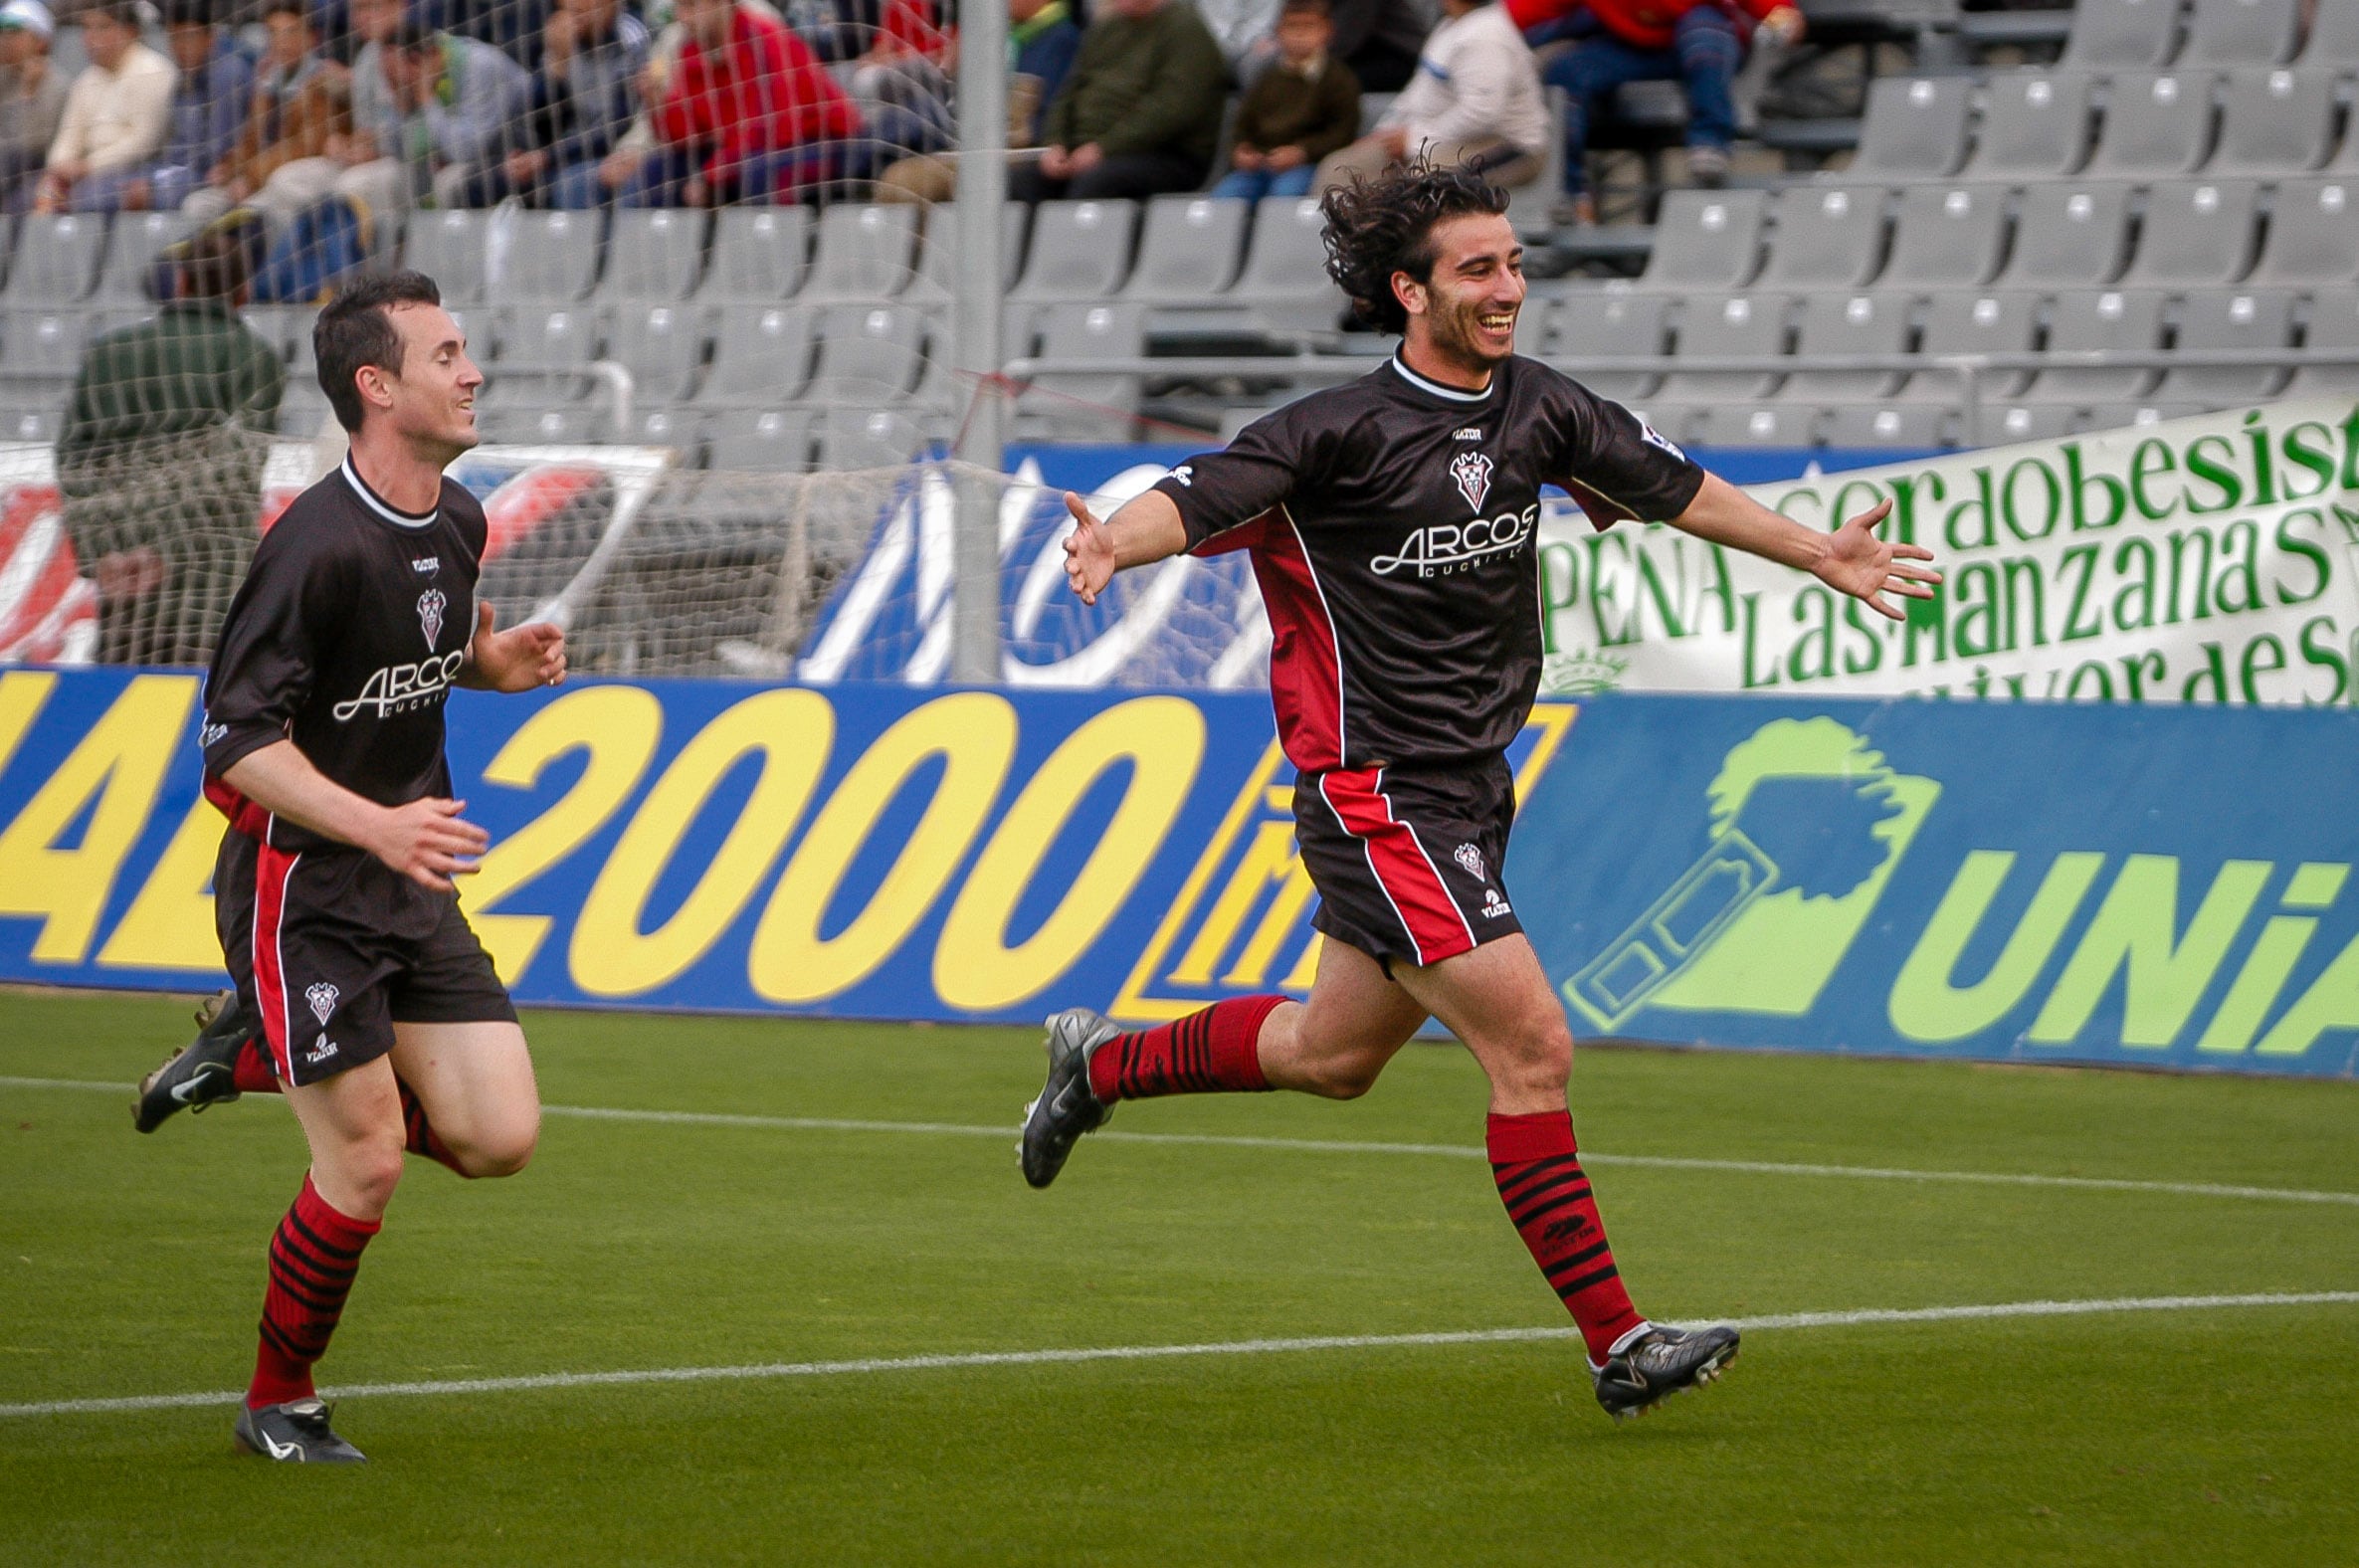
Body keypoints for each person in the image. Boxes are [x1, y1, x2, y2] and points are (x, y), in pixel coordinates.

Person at [1021, 159, 1941, 1422]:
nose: (1507, 287)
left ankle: (1099, 1066)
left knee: (1330, 1054)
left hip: (1471, 789)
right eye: (1478, 269)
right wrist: (1109, 540)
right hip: (1375, 792)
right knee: (1532, 1045)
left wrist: (1818, 549)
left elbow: (1677, 490)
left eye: (1513, 264)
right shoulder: (1330, 432)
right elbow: (1199, 495)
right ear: (1409, 290)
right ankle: (1617, 1344)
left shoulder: (1541, 411)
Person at [132, 269, 567, 1465]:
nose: (471, 370)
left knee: (499, 1136)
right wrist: (373, 824)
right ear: (377, 387)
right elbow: (235, 741)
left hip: (406, 883)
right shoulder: (313, 546)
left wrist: (498, 663)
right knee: (368, 1155)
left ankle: (255, 1048)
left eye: (466, 349)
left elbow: (435, 648)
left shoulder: (461, 518)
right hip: (303, 889)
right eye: (445, 354)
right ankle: (281, 1399)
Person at [55, 226, 284, 667]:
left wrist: (103, 554)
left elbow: (72, 460)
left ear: (180, 282)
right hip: (212, 589)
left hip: (125, 579)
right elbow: (238, 466)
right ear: (244, 291)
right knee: (204, 721)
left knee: (124, 718)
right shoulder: (255, 357)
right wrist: (165, 549)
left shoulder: (108, 353)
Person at [1527, 0, 1804, 224]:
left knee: (1705, 30)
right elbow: (1525, 14)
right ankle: (1571, 192)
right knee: (1565, 75)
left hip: (1701, 39)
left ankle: (1710, 143)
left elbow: (1779, 12)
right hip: (1626, 44)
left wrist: (1783, 25)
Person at [617, 0, 861, 207]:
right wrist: (658, 104)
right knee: (656, 172)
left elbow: (773, 132)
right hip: (741, 153)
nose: (683, 18)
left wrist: (710, 177)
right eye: (679, 7)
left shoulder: (767, 40)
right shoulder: (691, 53)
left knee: (758, 175)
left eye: (691, 5)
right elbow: (689, 136)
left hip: (822, 143)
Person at [1009, 0, 1228, 204]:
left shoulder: (1185, 30)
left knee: (1097, 182)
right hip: (1086, 152)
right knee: (1020, 182)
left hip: (1165, 154)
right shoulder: (1106, 28)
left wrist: (1103, 149)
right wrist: (1056, 144)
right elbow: (1068, 93)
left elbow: (1172, 109)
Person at [1317, 0, 1544, 194]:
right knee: (1339, 168)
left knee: (1417, 187)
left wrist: (1414, 141)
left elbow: (1481, 114)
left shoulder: (1486, 35)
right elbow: (1416, 94)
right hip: (1433, 137)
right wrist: (1384, 133)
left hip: (1508, 146)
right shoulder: (1449, 25)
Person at [874, 0, 1079, 206]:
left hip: (1018, 151)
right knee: (895, 172)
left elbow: (1047, 115)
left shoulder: (1061, 40)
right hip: (976, 143)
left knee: (903, 181)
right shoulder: (1003, 37)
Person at [183, 0, 348, 227]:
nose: (282, 42)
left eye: (291, 32)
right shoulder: (267, 83)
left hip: (304, 173)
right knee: (198, 204)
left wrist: (250, 178)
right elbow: (251, 140)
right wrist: (230, 167)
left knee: (261, 204)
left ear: (312, 38)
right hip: (261, 174)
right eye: (274, 33)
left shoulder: (324, 82)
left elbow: (306, 145)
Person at [498, 0, 650, 207]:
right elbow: (537, 122)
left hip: (618, 149)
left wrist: (547, 157)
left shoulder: (631, 37)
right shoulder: (567, 37)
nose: (572, 10)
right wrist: (557, 67)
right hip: (568, 151)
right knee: (494, 181)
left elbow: (618, 124)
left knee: (572, 185)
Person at [33, 0, 174, 214]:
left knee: (90, 198)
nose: (91, 38)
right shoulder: (86, 80)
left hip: (134, 169)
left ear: (130, 31)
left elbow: (144, 142)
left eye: (103, 27)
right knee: (29, 197)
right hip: (83, 173)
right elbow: (69, 136)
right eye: (86, 28)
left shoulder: (152, 70)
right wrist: (57, 170)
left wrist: (87, 167)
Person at [1212, 0, 1360, 203]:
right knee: (1226, 196)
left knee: (1284, 195)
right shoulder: (1266, 78)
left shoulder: (1339, 79)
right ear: (1279, 32)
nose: (1300, 35)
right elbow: (1243, 124)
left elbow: (1342, 133)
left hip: (1308, 165)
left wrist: (1303, 152)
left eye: (1309, 26)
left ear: (1327, 31)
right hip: (1260, 165)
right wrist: (1242, 149)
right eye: (1292, 26)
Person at [127, 0, 256, 215]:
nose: (180, 47)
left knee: (141, 195)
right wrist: (154, 177)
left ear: (210, 37)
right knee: (104, 189)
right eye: (174, 38)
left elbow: (217, 159)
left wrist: (157, 185)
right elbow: (177, 148)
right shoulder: (183, 79)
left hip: (216, 178)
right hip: (179, 172)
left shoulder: (229, 76)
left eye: (188, 37)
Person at [0, 0, 65, 209]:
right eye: (3, 32)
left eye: (15, 33)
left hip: (34, 174)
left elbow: (31, 147)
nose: (5, 40)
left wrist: (29, 95)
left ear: (41, 41)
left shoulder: (55, 84)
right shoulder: (4, 78)